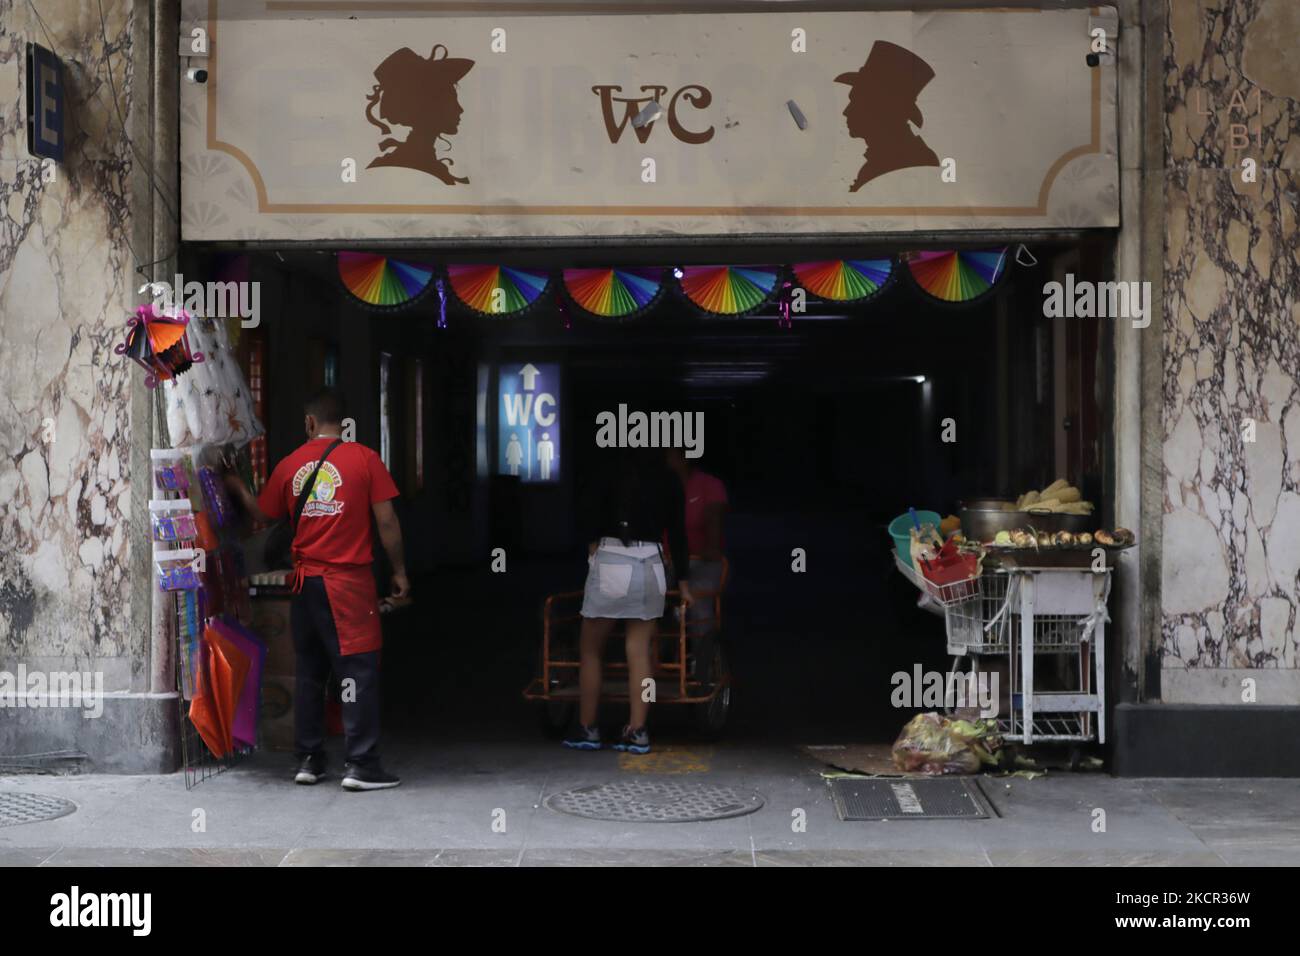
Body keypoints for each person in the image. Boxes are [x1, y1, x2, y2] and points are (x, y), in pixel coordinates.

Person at [223, 388, 409, 791]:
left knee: (310, 670)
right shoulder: (365, 460)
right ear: (343, 424)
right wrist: (399, 571)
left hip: (305, 584)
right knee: (357, 672)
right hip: (349, 586)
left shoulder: (291, 464)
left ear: (309, 423)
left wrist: (236, 485)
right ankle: (361, 764)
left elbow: (263, 515)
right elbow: (388, 522)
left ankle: (309, 759)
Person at [567, 447, 693, 754]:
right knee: (639, 652)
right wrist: (685, 582)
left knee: (591, 650)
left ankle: (588, 729)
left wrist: (592, 545)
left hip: (612, 559)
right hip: (651, 563)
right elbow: (677, 533)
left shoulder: (607, 470)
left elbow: (587, 515)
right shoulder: (669, 478)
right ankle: (637, 730)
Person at [836, 40, 940, 191]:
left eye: (857, 102)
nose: (846, 112)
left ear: (880, 109)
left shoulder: (906, 163)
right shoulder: (882, 162)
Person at [666, 448, 728, 650]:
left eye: (669, 455)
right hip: (664, 561)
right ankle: (652, 660)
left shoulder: (710, 486)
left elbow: (713, 541)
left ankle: (703, 663)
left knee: (700, 607)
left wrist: (688, 560)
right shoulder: (659, 486)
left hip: (701, 561)